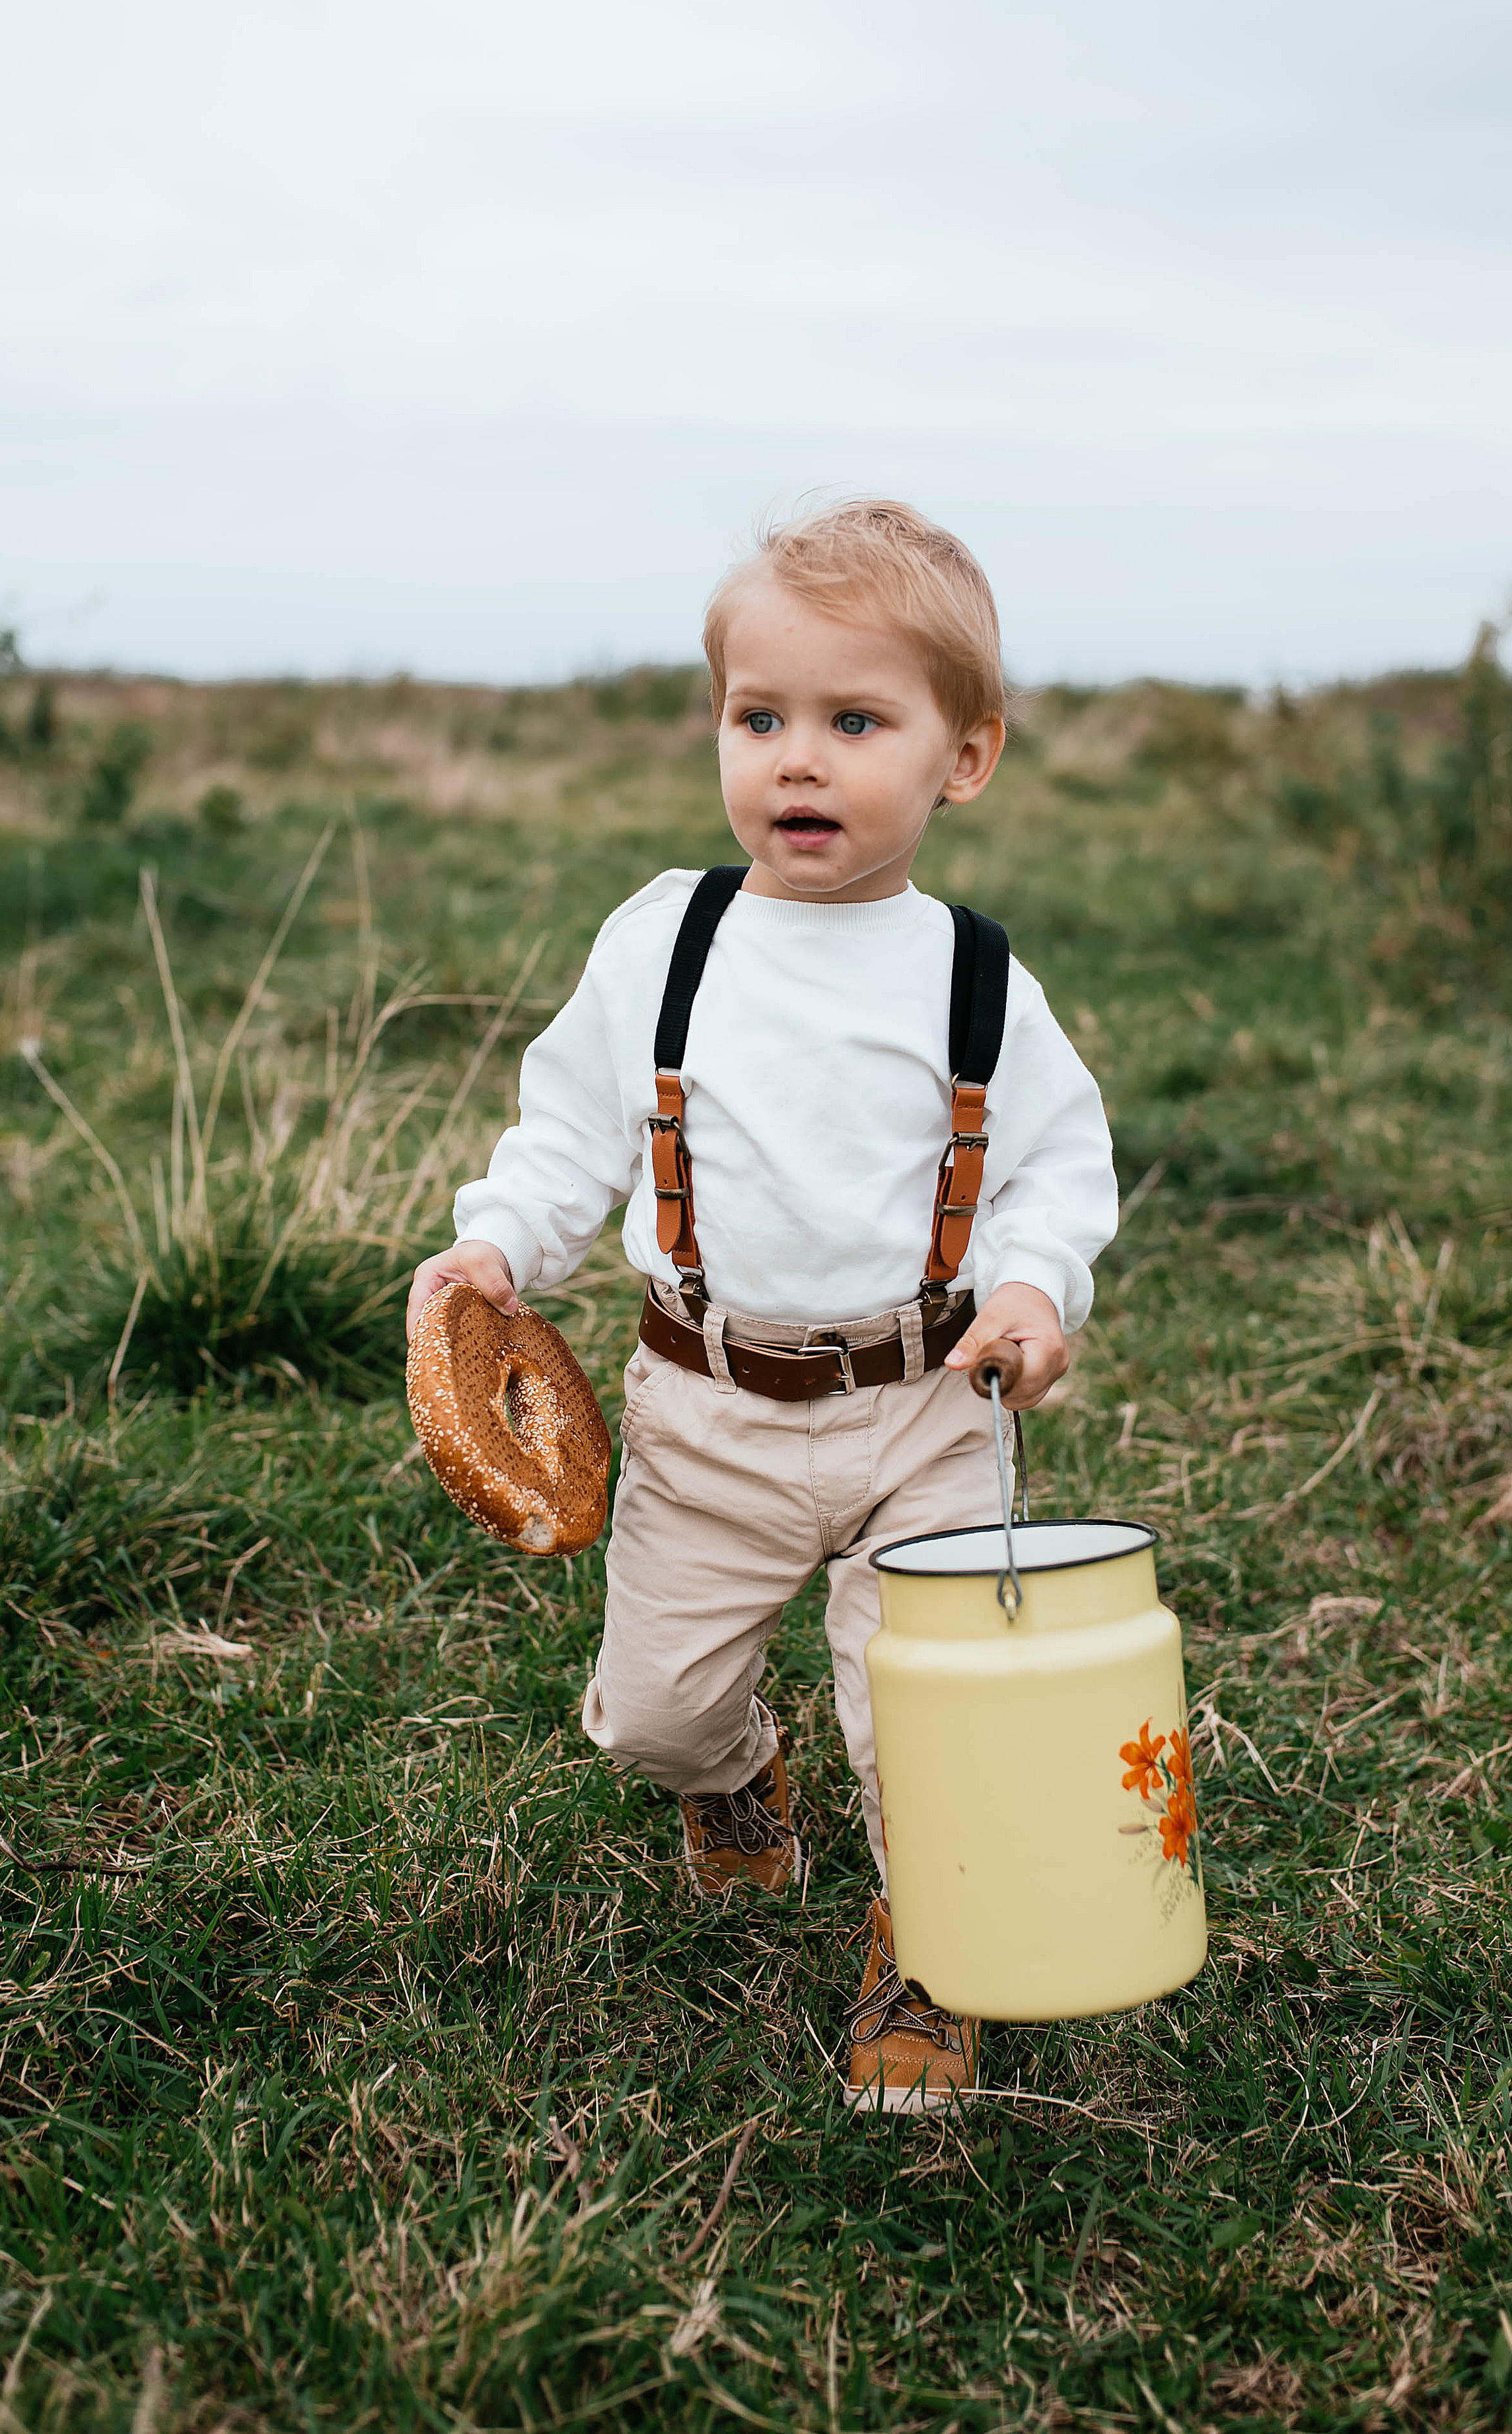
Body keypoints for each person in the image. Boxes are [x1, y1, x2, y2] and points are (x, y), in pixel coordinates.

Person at [406, 499, 1117, 2112]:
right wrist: (501, 1247)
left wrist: (1027, 1284)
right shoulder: (668, 939)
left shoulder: (974, 979)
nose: (797, 761)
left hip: (926, 1411)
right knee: (652, 1711)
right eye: (759, 718)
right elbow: (573, 1129)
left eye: (855, 722)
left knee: (917, 1726)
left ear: (965, 757)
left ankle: (927, 1948)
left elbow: (1056, 1170)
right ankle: (731, 1784)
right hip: (704, 1406)